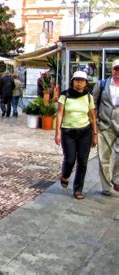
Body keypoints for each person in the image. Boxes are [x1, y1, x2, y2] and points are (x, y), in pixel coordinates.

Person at [55, 71, 98, 200]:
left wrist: (95, 134)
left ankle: (78, 189)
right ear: (72, 81)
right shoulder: (65, 95)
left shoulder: (89, 97)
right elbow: (60, 114)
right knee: (70, 159)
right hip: (68, 131)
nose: (79, 82)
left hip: (85, 131)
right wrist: (57, 132)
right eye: (77, 80)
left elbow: (92, 117)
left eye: (82, 80)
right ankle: (65, 175)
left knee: (83, 161)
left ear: (86, 83)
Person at [92, 58, 119, 196]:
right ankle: (106, 187)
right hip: (105, 125)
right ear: (111, 69)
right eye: (116, 68)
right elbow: (93, 104)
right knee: (104, 157)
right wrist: (94, 125)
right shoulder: (102, 84)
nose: (118, 72)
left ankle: (116, 179)